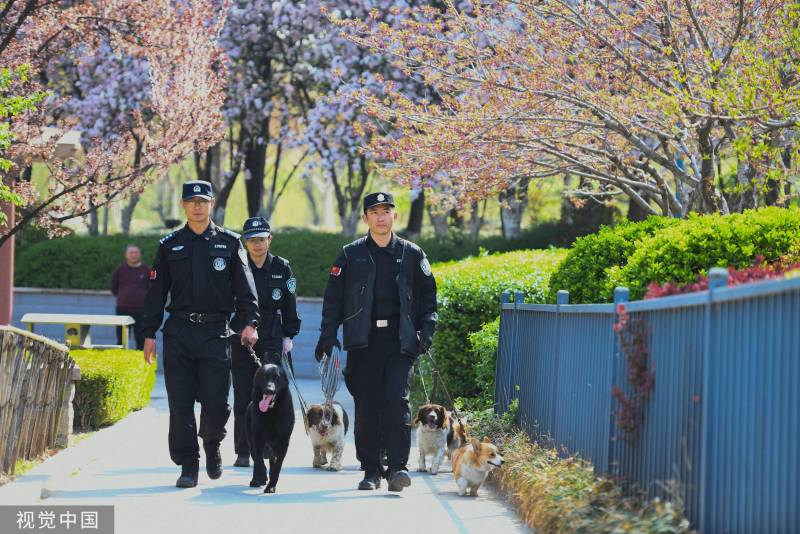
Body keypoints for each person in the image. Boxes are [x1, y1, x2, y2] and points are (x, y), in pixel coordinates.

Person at [315, 191, 438, 492]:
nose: (381, 217)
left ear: (395, 215)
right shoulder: (350, 254)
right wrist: (328, 335)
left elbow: (429, 301)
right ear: (366, 217)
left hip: (400, 342)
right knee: (367, 406)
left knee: (397, 402)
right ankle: (370, 470)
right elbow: (333, 300)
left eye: (386, 210)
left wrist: (425, 333)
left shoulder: (412, 254)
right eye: (374, 211)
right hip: (363, 342)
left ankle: (397, 468)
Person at [141, 180, 260, 488]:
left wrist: (250, 323)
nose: (197, 206)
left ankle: (211, 444)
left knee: (217, 402)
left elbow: (246, 290)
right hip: (179, 332)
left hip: (216, 333)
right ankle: (189, 464)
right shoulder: (169, 245)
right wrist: (149, 332)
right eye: (191, 201)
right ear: (183, 205)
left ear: (212, 204)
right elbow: (155, 293)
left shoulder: (230, 243)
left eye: (202, 201)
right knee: (180, 404)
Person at [230, 216, 301, 468]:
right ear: (245, 242)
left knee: (271, 396)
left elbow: (290, 302)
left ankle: (269, 446)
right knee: (243, 396)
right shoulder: (237, 266)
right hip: (242, 338)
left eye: (261, 239)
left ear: (269, 239)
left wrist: (289, 334)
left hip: (271, 338)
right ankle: (243, 450)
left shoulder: (283, 268)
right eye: (251, 240)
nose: (257, 245)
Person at [110, 244, 149, 349]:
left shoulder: (147, 270)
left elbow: (152, 289)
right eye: (131, 253)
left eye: (136, 253)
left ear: (140, 255)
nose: (133, 255)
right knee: (121, 340)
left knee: (141, 339)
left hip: (141, 311)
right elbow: (113, 287)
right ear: (126, 255)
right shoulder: (120, 269)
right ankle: (121, 363)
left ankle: (141, 363)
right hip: (122, 310)